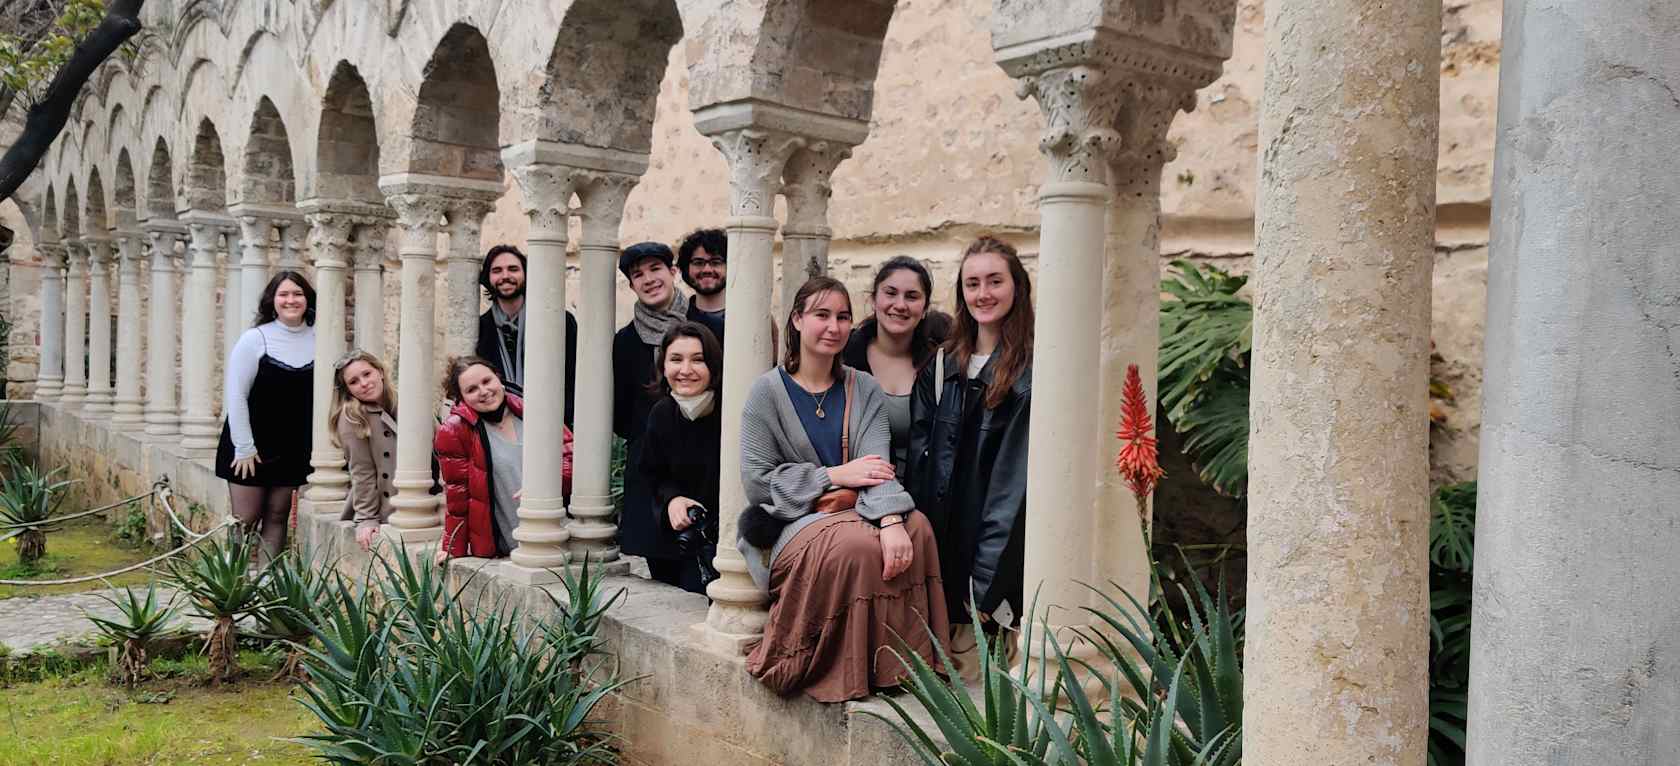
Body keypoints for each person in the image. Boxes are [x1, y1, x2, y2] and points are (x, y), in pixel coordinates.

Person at [737, 276, 949, 703]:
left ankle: (898, 666)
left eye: (842, 317)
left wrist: (890, 520)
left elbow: (876, 467)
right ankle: (841, 669)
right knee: (855, 547)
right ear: (797, 320)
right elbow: (758, 481)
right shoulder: (765, 393)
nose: (833, 326)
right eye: (821, 315)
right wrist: (832, 476)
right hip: (792, 523)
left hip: (862, 507)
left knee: (918, 527)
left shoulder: (863, 387)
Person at [908, 236, 1034, 635]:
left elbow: (1012, 490)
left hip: (995, 583)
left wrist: (984, 585)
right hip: (939, 569)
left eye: (995, 281)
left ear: (1017, 286)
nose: (983, 293)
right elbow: (920, 469)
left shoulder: (1029, 373)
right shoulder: (942, 367)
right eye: (972, 283)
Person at [214, 270, 316, 560]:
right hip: (251, 444)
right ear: (272, 300)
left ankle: (267, 585)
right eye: (284, 294)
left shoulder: (320, 337)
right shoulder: (255, 339)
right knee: (245, 517)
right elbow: (236, 395)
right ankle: (234, 582)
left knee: (277, 515)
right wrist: (244, 447)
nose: (291, 300)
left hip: (294, 444)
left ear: (307, 299)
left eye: (297, 293)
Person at [433, 356, 572, 565]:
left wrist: (546, 482)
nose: (483, 391)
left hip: (560, 532)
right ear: (461, 398)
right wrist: (452, 547)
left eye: (486, 381)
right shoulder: (455, 431)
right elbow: (457, 495)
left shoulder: (533, 411)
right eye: (471, 389)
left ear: (498, 378)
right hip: (511, 544)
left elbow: (571, 457)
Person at [613, 241, 693, 583]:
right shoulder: (626, 340)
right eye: (638, 275)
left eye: (655, 269)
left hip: (699, 464)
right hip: (649, 467)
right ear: (631, 286)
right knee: (662, 568)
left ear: (672, 272)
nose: (648, 279)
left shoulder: (698, 324)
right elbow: (619, 409)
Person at [841, 256, 952, 475]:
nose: (900, 305)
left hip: (923, 502)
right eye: (890, 293)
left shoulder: (940, 365)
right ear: (874, 300)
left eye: (911, 296)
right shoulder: (842, 357)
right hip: (856, 498)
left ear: (925, 308)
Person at [636, 322, 724, 594]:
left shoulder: (732, 411)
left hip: (728, 545)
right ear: (664, 366)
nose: (685, 370)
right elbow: (653, 474)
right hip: (678, 541)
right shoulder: (662, 413)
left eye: (698, 360)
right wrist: (672, 500)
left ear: (713, 365)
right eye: (676, 359)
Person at [474, 244, 579, 424]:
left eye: (513, 269)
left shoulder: (558, 322)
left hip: (551, 425)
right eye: (497, 270)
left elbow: (574, 375)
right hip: (498, 426)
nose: (505, 276)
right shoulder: (479, 328)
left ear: (526, 274)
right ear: (488, 277)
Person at [328, 349, 398, 551]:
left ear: (380, 372)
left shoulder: (407, 403)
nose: (364, 384)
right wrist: (367, 519)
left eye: (367, 374)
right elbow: (362, 472)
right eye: (354, 382)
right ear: (348, 390)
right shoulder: (352, 417)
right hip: (388, 508)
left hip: (424, 501)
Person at [676, 228, 727, 343]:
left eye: (716, 262)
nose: (707, 269)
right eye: (698, 263)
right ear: (686, 268)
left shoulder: (750, 316)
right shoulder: (677, 319)